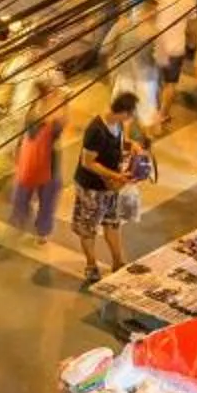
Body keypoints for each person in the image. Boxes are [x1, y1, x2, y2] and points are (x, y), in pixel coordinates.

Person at [69, 90, 144, 285]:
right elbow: (88, 162)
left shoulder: (117, 124)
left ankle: (118, 262)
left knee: (112, 222)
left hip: (110, 187)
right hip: (91, 187)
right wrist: (116, 176)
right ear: (123, 112)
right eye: (131, 114)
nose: (131, 118)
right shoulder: (96, 130)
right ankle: (91, 265)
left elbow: (117, 144)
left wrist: (130, 144)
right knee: (88, 227)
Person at [8, 73, 65, 241]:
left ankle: (38, 228)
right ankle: (34, 226)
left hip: (43, 161)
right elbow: (30, 131)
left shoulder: (44, 110)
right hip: (37, 160)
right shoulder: (39, 110)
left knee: (41, 197)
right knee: (29, 196)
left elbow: (57, 126)